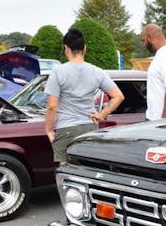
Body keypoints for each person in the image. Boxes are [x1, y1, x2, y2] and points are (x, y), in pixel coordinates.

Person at [44, 28, 124, 164]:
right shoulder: (97, 71)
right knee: (88, 169)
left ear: (66, 48)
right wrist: (101, 115)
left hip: (66, 128)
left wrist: (49, 129)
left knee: (66, 171)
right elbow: (118, 96)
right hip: (89, 127)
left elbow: (52, 106)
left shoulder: (58, 72)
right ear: (84, 49)